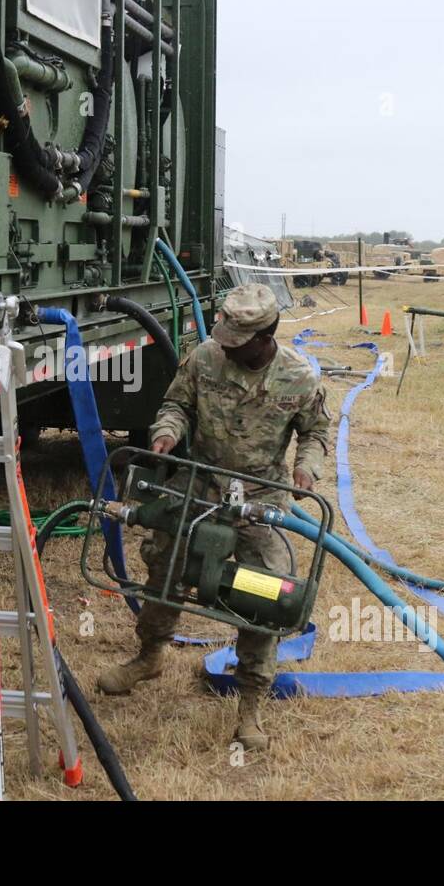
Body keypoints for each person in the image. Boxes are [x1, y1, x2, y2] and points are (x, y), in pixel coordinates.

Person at [96, 284, 333, 751]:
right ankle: (149, 656)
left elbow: (316, 432)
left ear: (267, 336)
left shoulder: (300, 377)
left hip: (261, 496)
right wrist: (166, 433)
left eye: (238, 339)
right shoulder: (204, 358)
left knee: (263, 595)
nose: (225, 344)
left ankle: (250, 705)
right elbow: (175, 405)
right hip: (199, 485)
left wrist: (307, 468)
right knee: (164, 568)